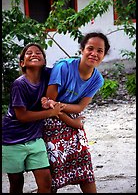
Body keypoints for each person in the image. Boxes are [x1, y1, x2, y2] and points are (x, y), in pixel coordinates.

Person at [41, 32, 110, 193]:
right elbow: (48, 105)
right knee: (53, 172)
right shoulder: (63, 67)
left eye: (99, 51)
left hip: (68, 115)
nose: (94, 54)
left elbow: (79, 108)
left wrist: (65, 112)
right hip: (49, 120)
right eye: (90, 48)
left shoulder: (97, 79)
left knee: (85, 169)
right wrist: (73, 122)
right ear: (82, 50)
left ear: (104, 55)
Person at [2, 43, 65, 193]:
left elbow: (65, 69)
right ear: (22, 63)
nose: (34, 54)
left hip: (35, 138)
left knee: (46, 183)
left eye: (38, 53)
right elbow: (22, 116)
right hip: (12, 139)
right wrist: (50, 113)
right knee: (16, 183)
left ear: (44, 61)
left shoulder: (48, 76)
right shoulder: (19, 84)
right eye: (29, 53)